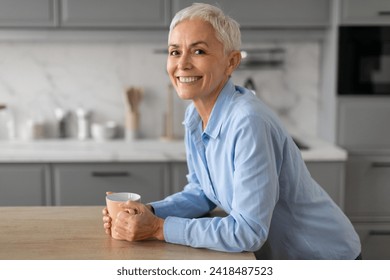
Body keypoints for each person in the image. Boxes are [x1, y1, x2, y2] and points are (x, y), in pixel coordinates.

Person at [102, 3, 361, 260]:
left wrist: (159, 228)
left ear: (231, 62)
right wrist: (147, 212)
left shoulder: (248, 122)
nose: (182, 64)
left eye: (199, 51)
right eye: (174, 51)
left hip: (324, 259)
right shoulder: (195, 115)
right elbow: (202, 192)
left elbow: (248, 231)